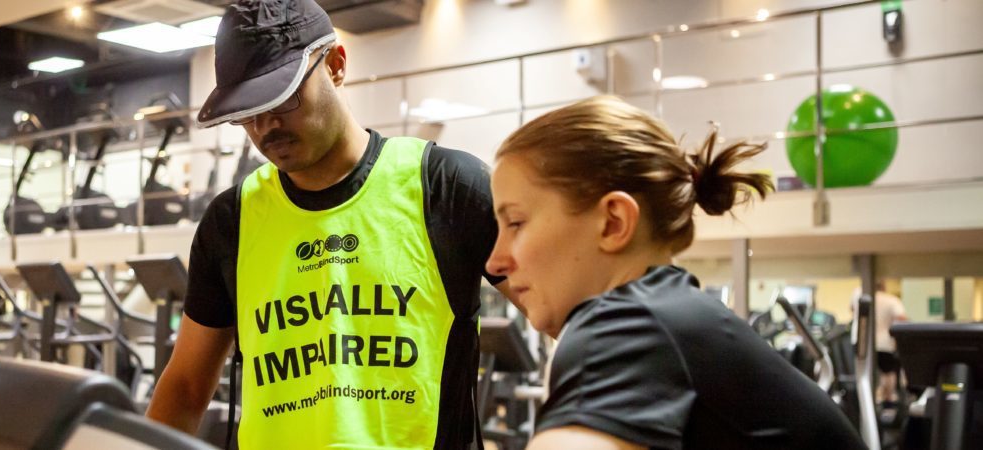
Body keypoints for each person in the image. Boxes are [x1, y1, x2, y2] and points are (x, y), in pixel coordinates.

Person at [145, 0, 513, 448]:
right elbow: (185, 387)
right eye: (247, 111)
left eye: (282, 98)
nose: (265, 126)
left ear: (336, 65)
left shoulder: (447, 187)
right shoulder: (232, 220)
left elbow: (571, 315)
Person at [485, 96, 865, 449]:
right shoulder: (664, 315)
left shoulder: (629, 326)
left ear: (613, 222)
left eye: (516, 223)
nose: (494, 262)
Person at [851, 282, 908, 404]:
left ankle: (868, 400)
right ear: (884, 287)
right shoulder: (891, 300)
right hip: (884, 343)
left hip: (861, 341)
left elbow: (851, 308)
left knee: (863, 370)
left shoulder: (858, 293)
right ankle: (887, 398)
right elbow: (903, 318)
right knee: (887, 372)